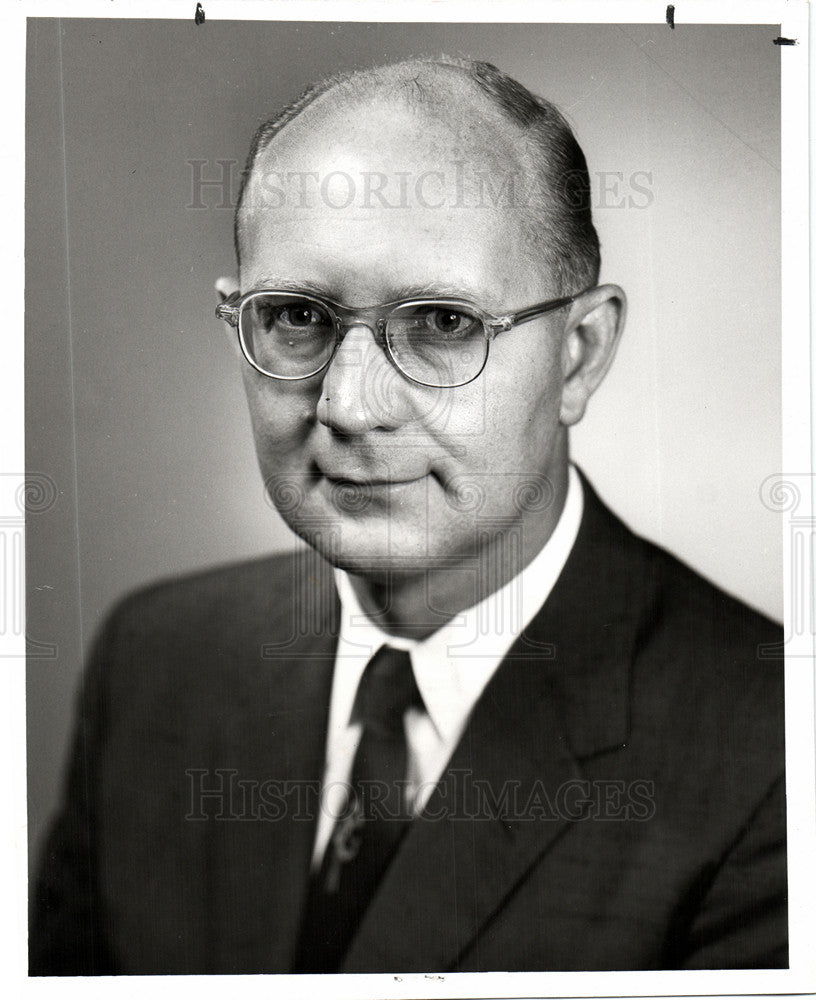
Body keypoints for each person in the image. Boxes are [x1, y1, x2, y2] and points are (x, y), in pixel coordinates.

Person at [30, 56, 786, 975]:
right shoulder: (154, 661)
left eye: (442, 324)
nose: (349, 404)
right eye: (298, 315)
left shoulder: (776, 754)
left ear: (579, 357)